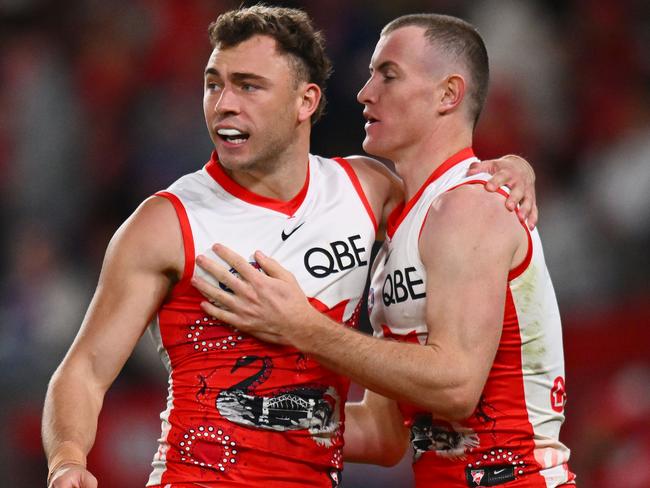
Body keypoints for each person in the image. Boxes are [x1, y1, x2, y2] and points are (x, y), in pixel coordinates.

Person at [42, 6, 537, 488]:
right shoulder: (166, 222)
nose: (224, 104)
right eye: (214, 83)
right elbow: (84, 370)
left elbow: (453, 197)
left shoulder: (368, 190)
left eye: (249, 86)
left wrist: (511, 167)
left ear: (305, 102)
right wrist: (67, 461)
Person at [192, 13, 576, 488]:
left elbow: (456, 385)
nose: (364, 92)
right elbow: (383, 432)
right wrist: (257, 415)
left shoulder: (470, 206)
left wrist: (301, 327)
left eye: (388, 75)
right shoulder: (399, 226)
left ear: (448, 94)